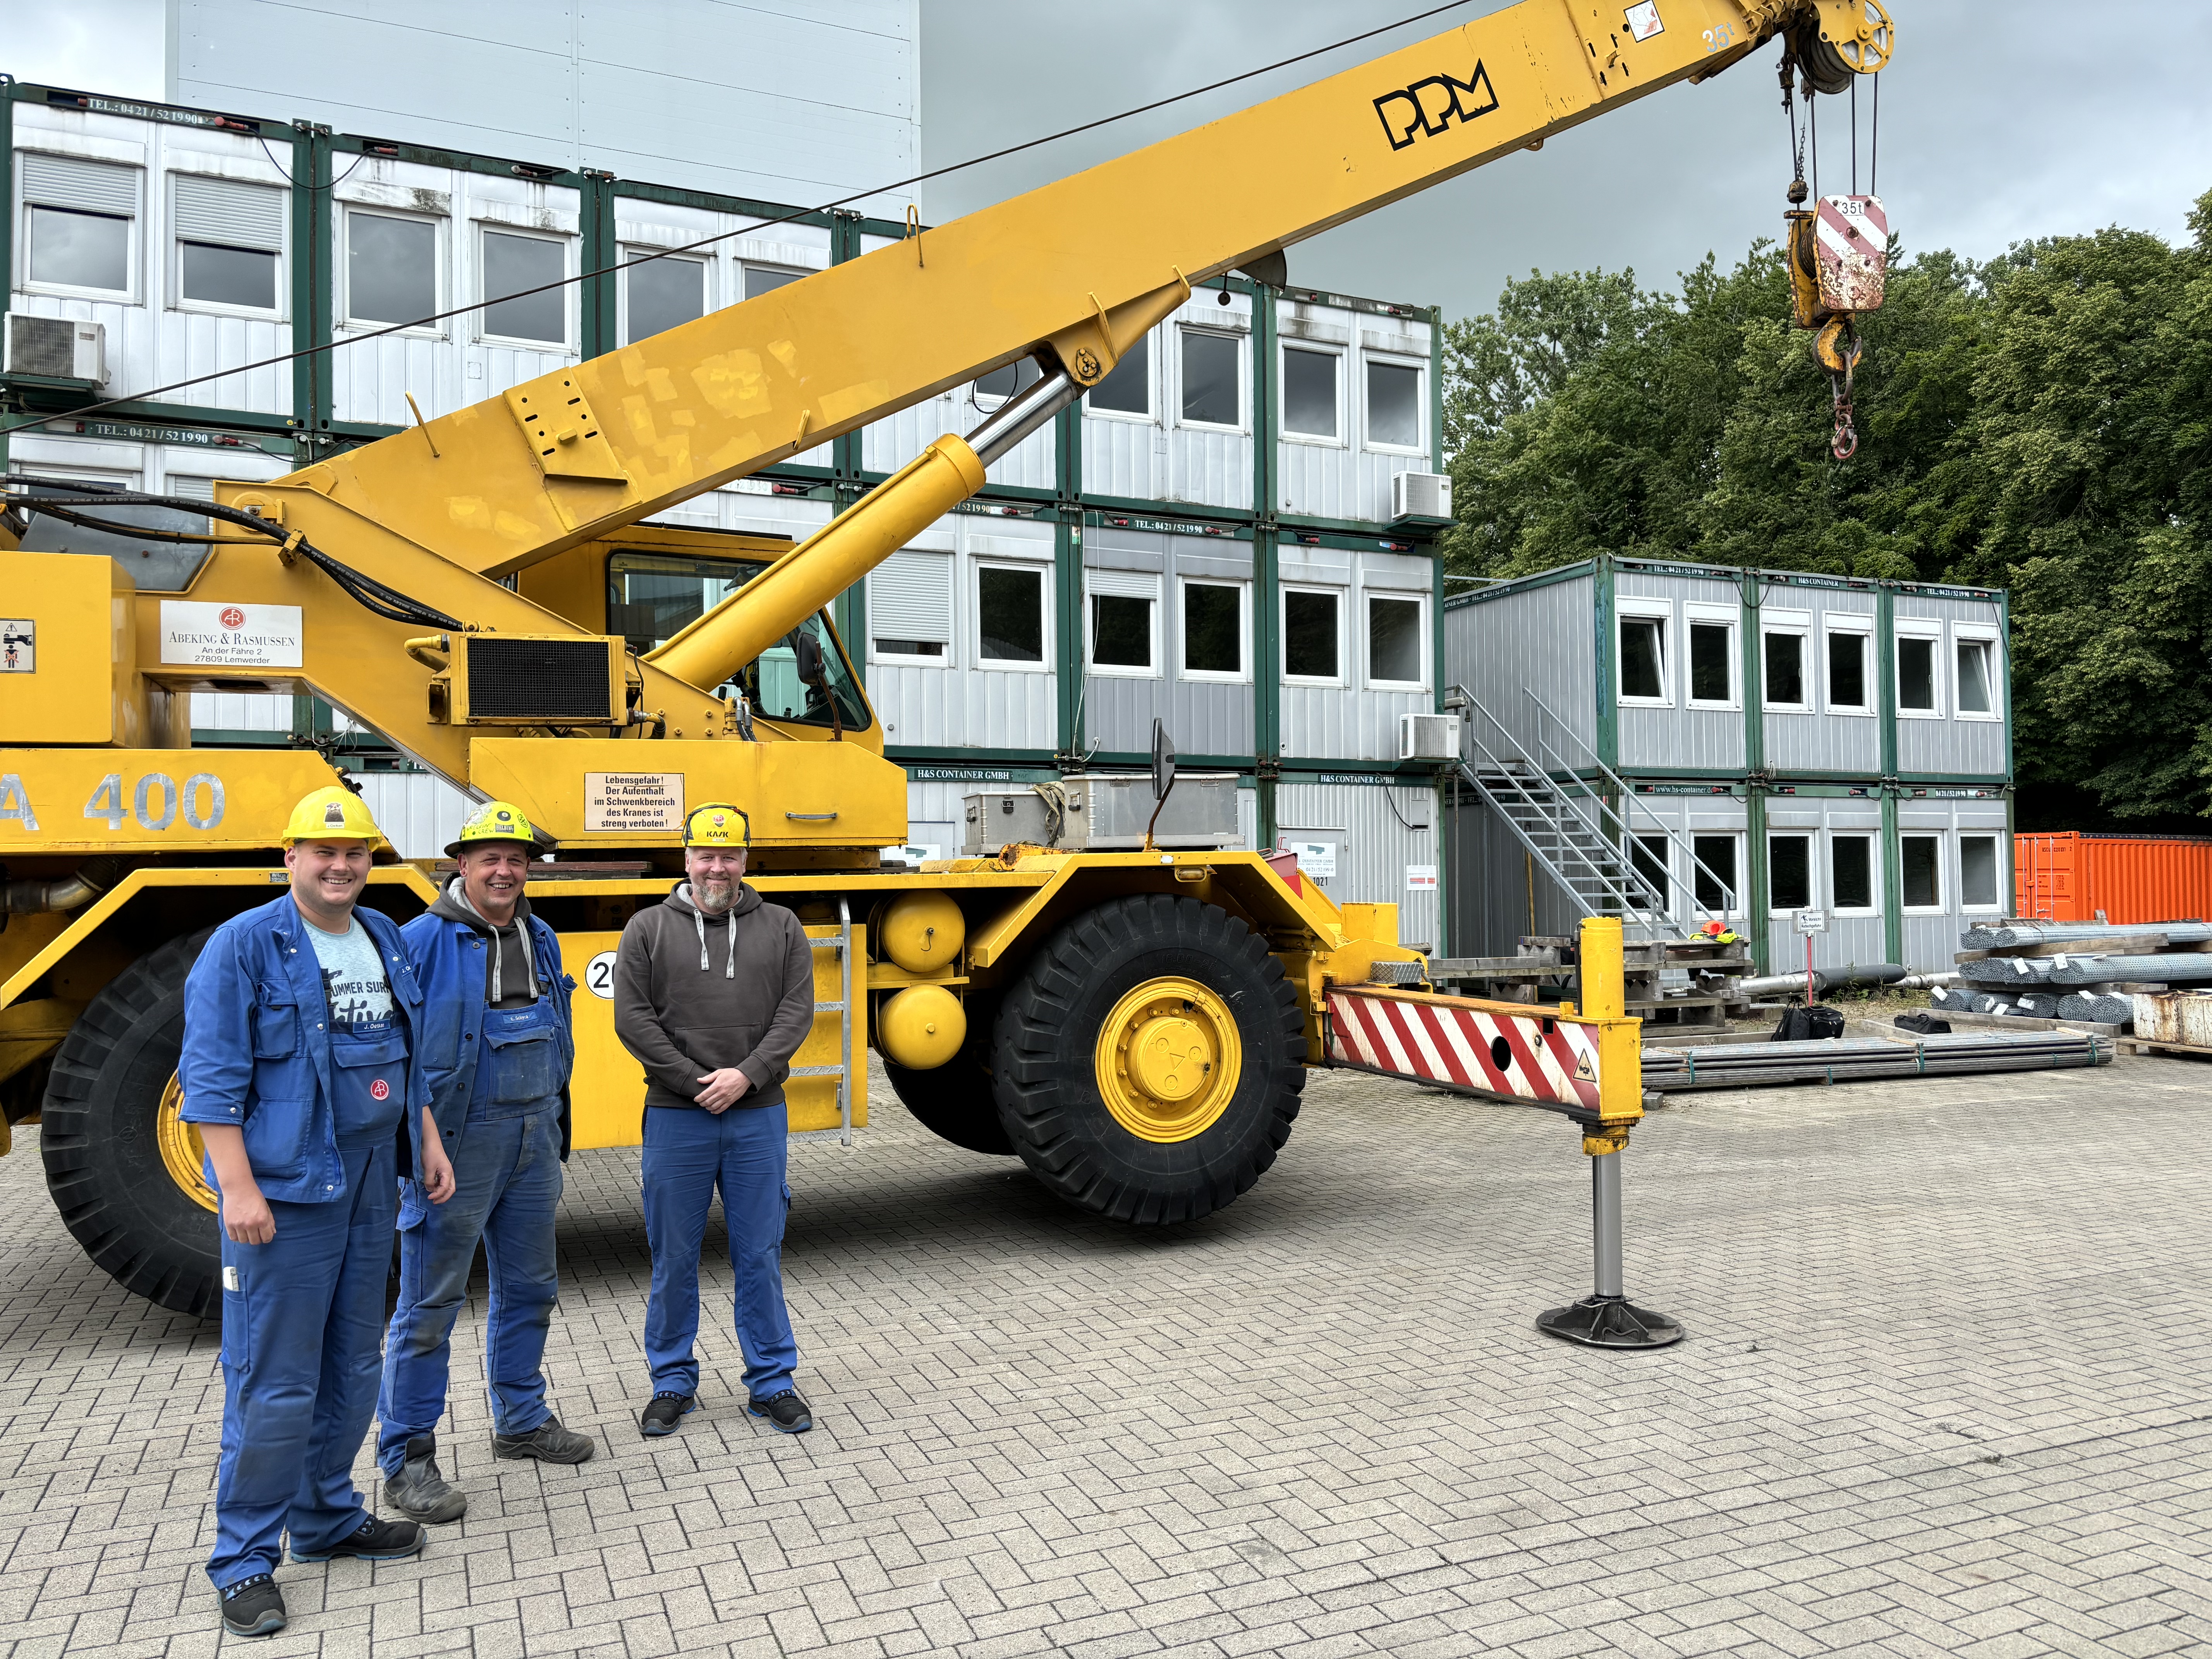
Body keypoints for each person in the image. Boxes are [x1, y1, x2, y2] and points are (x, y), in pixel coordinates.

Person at [179, 785, 455, 1640]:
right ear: (290, 858)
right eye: (323, 853)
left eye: (356, 854)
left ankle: (328, 1519)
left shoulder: (380, 935)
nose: (340, 867)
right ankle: (244, 1559)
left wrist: (428, 1140)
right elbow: (212, 1080)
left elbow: (405, 1057)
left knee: (351, 1365)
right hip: (288, 1191)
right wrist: (239, 1189)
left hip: (373, 1177)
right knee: (273, 1379)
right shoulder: (243, 947)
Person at [376, 801, 593, 1524]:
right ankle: (407, 1459)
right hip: (457, 1145)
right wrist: (421, 1141)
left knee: (532, 1287)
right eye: (489, 858)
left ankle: (521, 1419)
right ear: (460, 867)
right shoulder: (417, 943)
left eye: (517, 859)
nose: (505, 870)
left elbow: (558, 1036)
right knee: (431, 1304)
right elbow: (399, 1058)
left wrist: (557, 1126)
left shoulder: (543, 938)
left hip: (534, 1140)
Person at [613, 802, 818, 1437]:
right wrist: (691, 1080)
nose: (717, 867)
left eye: (729, 855)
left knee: (759, 1251)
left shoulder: (783, 926)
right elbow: (632, 1017)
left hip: (757, 1115)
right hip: (678, 1115)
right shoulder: (647, 929)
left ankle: (771, 1381)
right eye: (706, 854)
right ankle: (672, 1381)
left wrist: (747, 1075)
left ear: (745, 860)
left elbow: (796, 1012)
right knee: (673, 1254)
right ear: (686, 858)